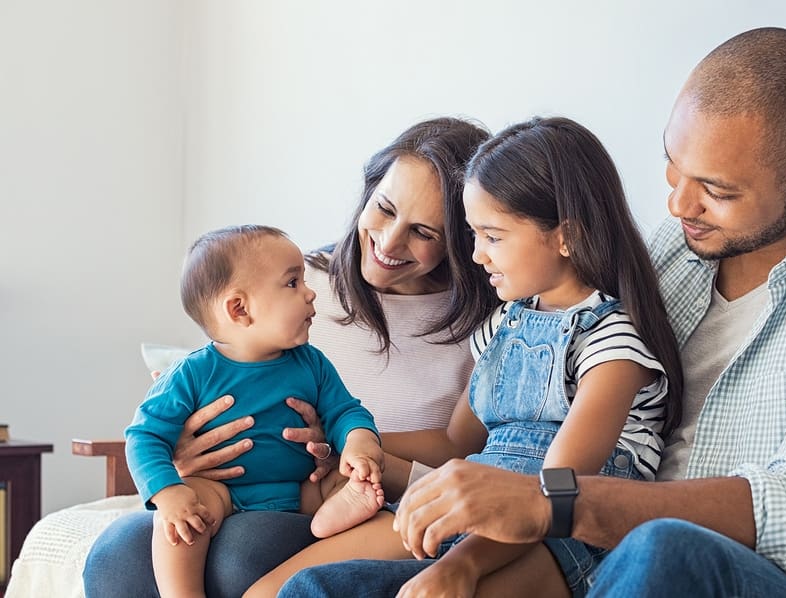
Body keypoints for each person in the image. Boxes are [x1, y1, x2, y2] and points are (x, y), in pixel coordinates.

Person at [281, 27, 786, 598]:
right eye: (673, 166)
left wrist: (553, 502)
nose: (679, 203)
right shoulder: (674, 251)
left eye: (717, 190)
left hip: (741, 572)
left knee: (663, 550)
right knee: (318, 590)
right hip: (593, 547)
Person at [241, 116, 684, 598]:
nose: (475, 256)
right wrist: (350, 439)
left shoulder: (611, 344)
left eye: (491, 237)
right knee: (279, 590)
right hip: (471, 504)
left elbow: (557, 493)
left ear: (566, 237)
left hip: (557, 536)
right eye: (473, 235)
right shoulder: (504, 325)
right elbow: (456, 440)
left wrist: (461, 566)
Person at [83, 117, 499, 598]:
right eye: (383, 209)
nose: (388, 243)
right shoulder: (290, 284)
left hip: (340, 491)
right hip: (229, 483)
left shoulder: (487, 326)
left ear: (463, 238)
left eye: (424, 232)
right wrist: (180, 456)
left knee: (241, 552)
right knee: (118, 553)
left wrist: (350, 445)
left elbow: (470, 448)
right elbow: (179, 406)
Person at [126, 225, 385, 597]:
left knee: (349, 482)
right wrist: (168, 494)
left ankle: (334, 515)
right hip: (223, 491)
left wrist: (360, 446)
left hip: (303, 488)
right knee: (182, 520)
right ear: (240, 308)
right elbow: (144, 436)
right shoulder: (193, 373)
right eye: (293, 283)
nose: (311, 293)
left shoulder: (311, 363)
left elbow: (345, 412)